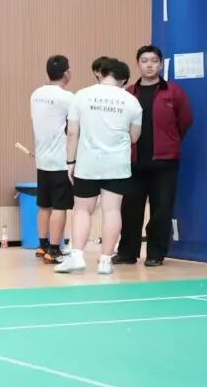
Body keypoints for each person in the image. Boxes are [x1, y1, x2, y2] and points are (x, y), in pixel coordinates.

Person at [54, 58, 142, 276]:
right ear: (124, 80)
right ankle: (105, 261)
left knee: (82, 209)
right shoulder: (132, 101)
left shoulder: (82, 96)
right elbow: (134, 137)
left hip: (88, 163)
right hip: (117, 165)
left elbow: (72, 133)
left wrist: (70, 162)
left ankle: (76, 256)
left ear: (101, 74)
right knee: (112, 210)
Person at [116, 45, 193, 267]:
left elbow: (185, 120)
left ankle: (155, 254)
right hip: (133, 163)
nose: (149, 65)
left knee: (162, 210)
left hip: (165, 163)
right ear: (138, 64)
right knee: (130, 210)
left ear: (160, 65)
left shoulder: (174, 92)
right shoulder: (128, 93)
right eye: (144, 61)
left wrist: (170, 141)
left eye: (154, 61)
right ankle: (127, 253)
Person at [29, 55, 75, 264]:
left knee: (44, 205)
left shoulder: (36, 94)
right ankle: (54, 249)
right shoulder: (68, 98)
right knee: (59, 207)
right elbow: (74, 127)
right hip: (60, 161)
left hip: (42, 159)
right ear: (67, 73)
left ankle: (42, 245)